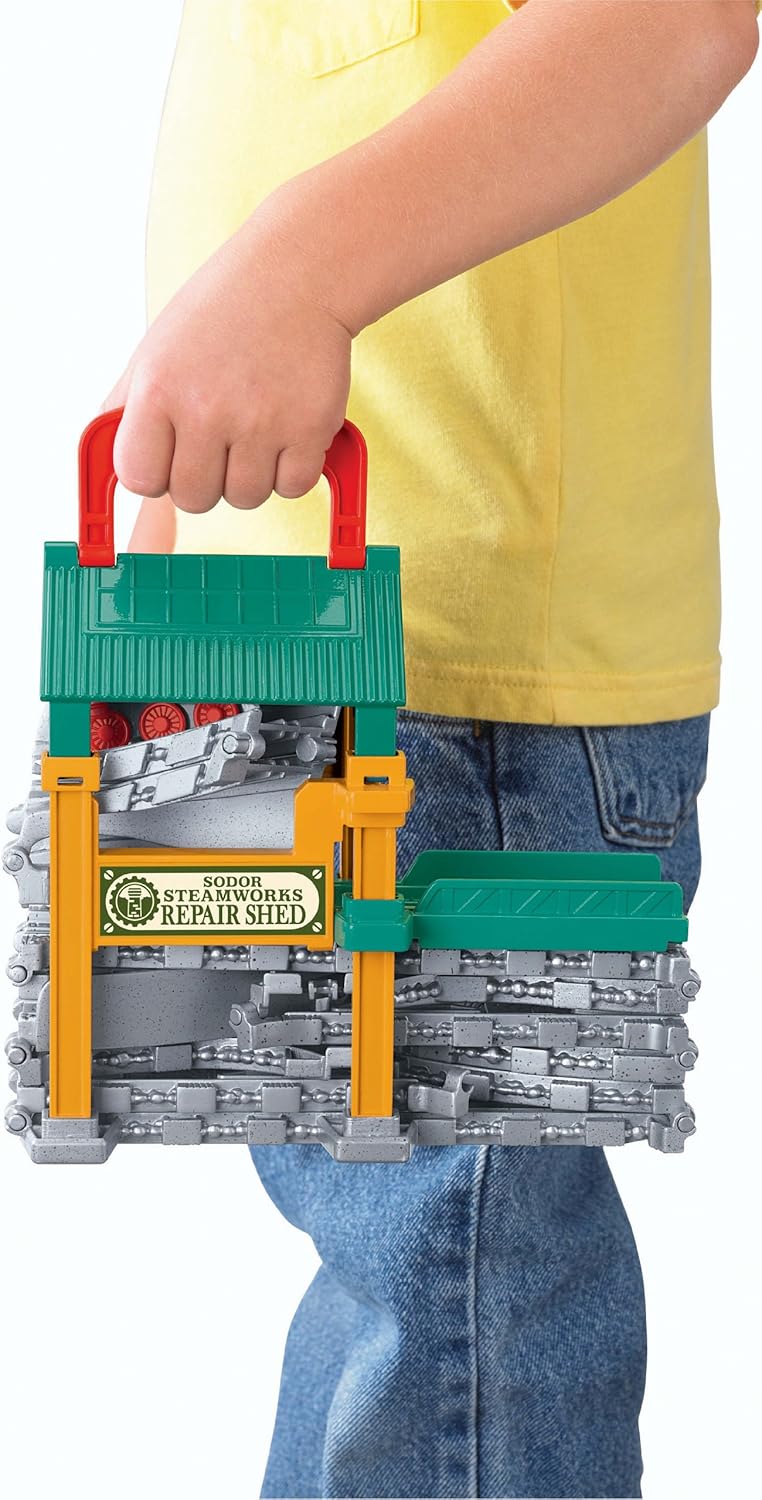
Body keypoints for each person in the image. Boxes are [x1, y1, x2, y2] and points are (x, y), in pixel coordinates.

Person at [106, 3, 760, 1495]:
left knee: (450, 1295)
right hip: (267, 631)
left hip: (463, 678)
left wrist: (291, 273)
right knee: (403, 1289)